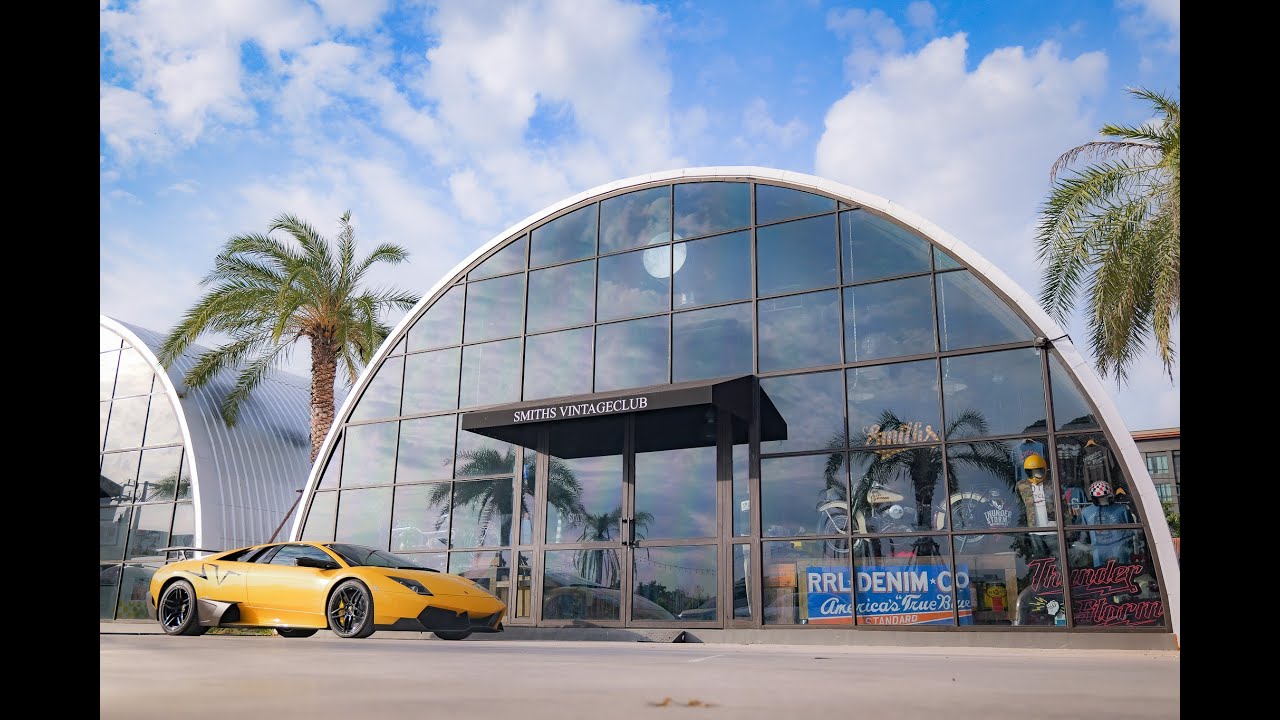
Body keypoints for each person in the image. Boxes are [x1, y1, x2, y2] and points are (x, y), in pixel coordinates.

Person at [1077, 480, 1136, 566]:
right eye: (1099, 497)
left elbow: (1132, 531)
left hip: (1119, 551)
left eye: (1105, 496)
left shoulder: (1123, 509)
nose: (1102, 499)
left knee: (1121, 576)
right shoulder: (1086, 512)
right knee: (1102, 576)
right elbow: (1084, 536)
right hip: (1099, 551)